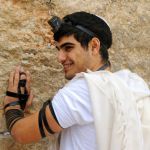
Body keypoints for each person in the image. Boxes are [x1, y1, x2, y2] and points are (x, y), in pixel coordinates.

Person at [3, 11, 149, 150]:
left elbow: (20, 133)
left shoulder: (84, 90)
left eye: (68, 48)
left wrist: (12, 103)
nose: (60, 58)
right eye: (58, 49)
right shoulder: (133, 84)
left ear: (94, 46)